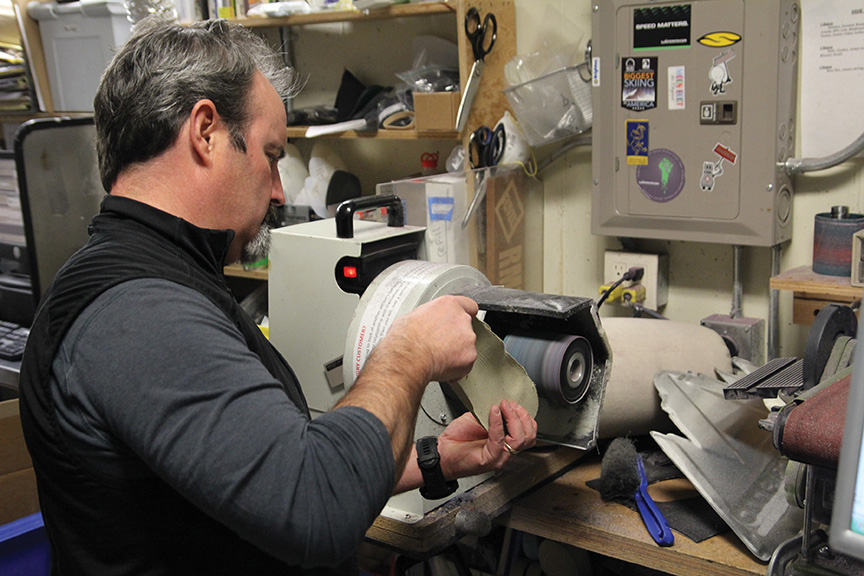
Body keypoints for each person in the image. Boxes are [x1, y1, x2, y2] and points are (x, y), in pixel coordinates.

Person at [18, 17, 537, 575]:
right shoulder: (137, 314)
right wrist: (411, 352)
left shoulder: (164, 280)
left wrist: (436, 460)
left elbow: (263, 471)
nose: (278, 189)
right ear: (206, 132)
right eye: (270, 155)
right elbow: (315, 506)